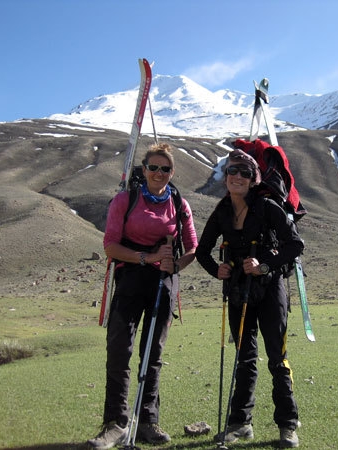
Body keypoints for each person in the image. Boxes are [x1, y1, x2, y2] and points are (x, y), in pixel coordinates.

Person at [88, 143, 198, 450]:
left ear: (172, 172)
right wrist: (147, 258)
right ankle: (115, 424)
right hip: (131, 277)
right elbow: (110, 246)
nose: (158, 173)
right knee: (119, 350)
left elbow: (192, 247)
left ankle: (148, 420)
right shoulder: (125, 200)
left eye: (165, 169)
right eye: (153, 168)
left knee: (153, 354)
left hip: (164, 282)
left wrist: (175, 264)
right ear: (144, 170)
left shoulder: (178, 203)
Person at [195, 150, 304, 448]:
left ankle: (287, 425)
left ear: (254, 178)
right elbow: (202, 251)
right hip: (238, 292)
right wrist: (218, 270)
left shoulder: (268, 207)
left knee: (276, 358)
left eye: (244, 172)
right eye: (232, 171)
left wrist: (265, 265)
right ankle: (240, 424)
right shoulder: (221, 212)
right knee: (244, 358)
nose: (237, 177)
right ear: (225, 177)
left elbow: (295, 244)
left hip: (271, 290)